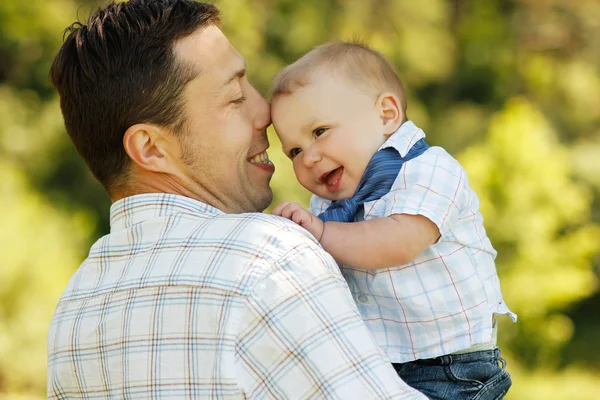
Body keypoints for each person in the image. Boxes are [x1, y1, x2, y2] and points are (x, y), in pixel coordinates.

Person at [46, 1, 426, 399]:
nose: (266, 113)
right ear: (152, 148)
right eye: (234, 97)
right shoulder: (268, 258)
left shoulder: (74, 311)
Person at [270, 41, 517, 399]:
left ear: (386, 114)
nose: (307, 158)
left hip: (451, 369)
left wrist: (320, 233)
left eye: (319, 131)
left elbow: (396, 242)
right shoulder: (325, 206)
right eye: (294, 150)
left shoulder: (428, 169)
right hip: (377, 364)